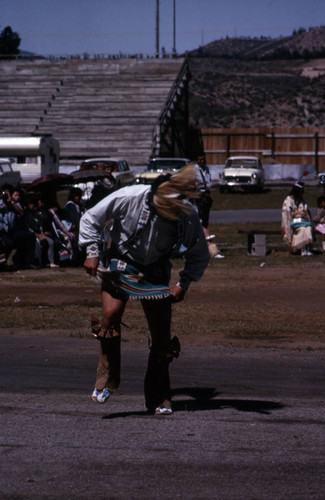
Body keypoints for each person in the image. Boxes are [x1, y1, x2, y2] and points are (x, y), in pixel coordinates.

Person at [79, 164, 210, 415]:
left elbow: (199, 253)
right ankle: (106, 380)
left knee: (161, 336)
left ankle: (158, 395)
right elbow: (90, 219)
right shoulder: (128, 197)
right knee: (109, 317)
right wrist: (92, 252)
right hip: (121, 262)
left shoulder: (186, 213)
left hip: (156, 270)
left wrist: (183, 284)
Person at [194, 153, 225, 259]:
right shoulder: (193, 170)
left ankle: (202, 248)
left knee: (204, 222)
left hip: (206, 197)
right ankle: (211, 249)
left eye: (203, 159)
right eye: (200, 159)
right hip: (197, 198)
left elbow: (208, 182)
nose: (202, 161)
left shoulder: (206, 169)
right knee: (201, 224)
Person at [281, 181, 313, 256]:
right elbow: (288, 214)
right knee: (302, 229)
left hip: (302, 221)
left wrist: (304, 213)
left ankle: (307, 248)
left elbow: (303, 208)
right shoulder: (288, 200)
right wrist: (298, 213)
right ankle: (302, 248)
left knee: (308, 228)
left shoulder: (300, 199)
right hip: (293, 222)